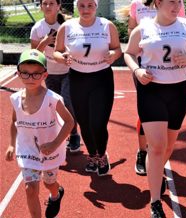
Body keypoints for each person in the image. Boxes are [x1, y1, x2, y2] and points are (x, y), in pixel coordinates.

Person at [124, 0, 186, 216]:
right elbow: (129, 53)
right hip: (151, 91)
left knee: (168, 147)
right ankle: (155, 202)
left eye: (179, 1)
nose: (176, 5)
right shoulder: (143, 29)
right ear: (158, 3)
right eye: (171, 1)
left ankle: (155, 172)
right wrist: (137, 71)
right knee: (157, 147)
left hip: (179, 92)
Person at [54, 0, 122, 176]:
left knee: (98, 124)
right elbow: (56, 52)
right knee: (84, 122)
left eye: (90, 5)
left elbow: (117, 49)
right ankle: (92, 156)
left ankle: (102, 155)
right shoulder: (67, 27)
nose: (86, 9)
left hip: (102, 78)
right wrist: (62, 58)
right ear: (76, 7)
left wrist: (113, 55)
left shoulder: (107, 26)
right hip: (77, 78)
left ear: (96, 6)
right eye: (82, 5)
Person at [118, 0, 186, 176]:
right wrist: (142, 49)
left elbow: (181, 30)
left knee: (167, 123)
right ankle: (142, 152)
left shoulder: (176, 4)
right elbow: (131, 30)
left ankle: (156, 162)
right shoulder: (136, 4)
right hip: (146, 65)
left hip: (172, 71)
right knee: (146, 113)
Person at [5, 49, 74, 218]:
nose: (31, 78)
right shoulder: (15, 99)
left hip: (51, 150)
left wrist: (54, 144)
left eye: (36, 74)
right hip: (28, 150)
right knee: (30, 189)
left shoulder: (53, 99)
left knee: (48, 183)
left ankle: (56, 193)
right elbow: (14, 122)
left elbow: (69, 122)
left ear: (45, 75)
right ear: (18, 74)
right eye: (26, 73)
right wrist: (11, 144)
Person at [30, 0, 81, 153]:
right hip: (50, 73)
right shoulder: (37, 28)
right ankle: (62, 134)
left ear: (58, 6)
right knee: (56, 105)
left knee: (67, 102)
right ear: (40, 6)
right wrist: (44, 42)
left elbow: (76, 45)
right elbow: (34, 55)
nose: (47, 6)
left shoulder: (67, 25)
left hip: (68, 71)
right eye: (44, 3)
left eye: (51, 3)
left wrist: (67, 53)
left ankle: (74, 135)